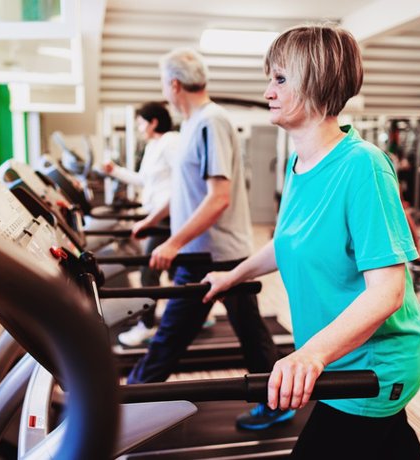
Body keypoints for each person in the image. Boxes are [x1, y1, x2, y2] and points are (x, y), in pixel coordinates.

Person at [202, 24, 420, 458]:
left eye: (280, 79)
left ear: (317, 82)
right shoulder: (296, 163)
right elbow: (286, 241)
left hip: (369, 367)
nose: (268, 90)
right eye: (270, 78)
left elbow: (388, 293)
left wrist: (311, 356)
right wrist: (232, 277)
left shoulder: (363, 167)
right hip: (336, 360)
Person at [127, 48, 290, 429]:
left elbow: (219, 197)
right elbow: (186, 191)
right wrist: (153, 221)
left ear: (174, 84)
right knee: (247, 331)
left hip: (216, 256)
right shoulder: (192, 124)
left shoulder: (211, 122)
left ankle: (129, 397)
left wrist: (171, 243)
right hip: (205, 252)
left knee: (174, 334)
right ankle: (276, 398)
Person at [101, 101, 178, 347]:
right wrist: (115, 170)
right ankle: (188, 314)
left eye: (141, 122)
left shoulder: (170, 141)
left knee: (149, 272)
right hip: (158, 216)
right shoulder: (153, 146)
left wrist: (151, 219)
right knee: (174, 271)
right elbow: (144, 181)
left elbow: (182, 183)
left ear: (154, 122)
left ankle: (147, 326)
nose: (139, 127)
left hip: (169, 217)